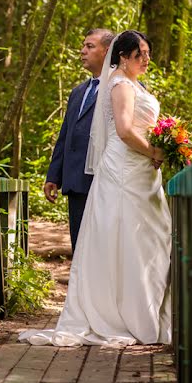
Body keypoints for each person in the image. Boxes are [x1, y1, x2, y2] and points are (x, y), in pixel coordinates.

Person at [21, 30, 172, 346]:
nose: (146, 59)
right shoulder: (116, 85)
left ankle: (137, 309)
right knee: (118, 239)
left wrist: (167, 142)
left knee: (139, 239)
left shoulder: (127, 84)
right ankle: (119, 313)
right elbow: (122, 131)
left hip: (137, 172)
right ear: (122, 56)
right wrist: (156, 151)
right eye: (140, 53)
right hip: (121, 169)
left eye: (147, 53)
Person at [44, 28, 114, 252]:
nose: (82, 51)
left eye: (89, 46)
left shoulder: (122, 88)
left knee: (103, 248)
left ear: (106, 52)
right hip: (75, 183)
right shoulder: (77, 92)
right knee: (80, 247)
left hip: (106, 182)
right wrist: (53, 175)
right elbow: (66, 135)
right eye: (83, 46)